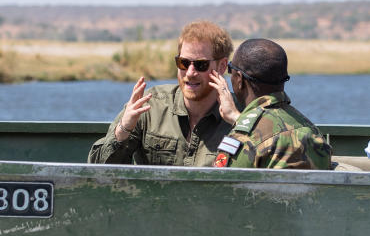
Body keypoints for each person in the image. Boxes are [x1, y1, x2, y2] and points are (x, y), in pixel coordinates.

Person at [87, 20, 233, 166]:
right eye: (183, 63)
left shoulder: (239, 116)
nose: (190, 73)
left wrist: (237, 120)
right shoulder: (149, 106)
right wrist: (124, 129)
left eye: (201, 65)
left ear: (222, 66)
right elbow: (97, 170)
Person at [208, 38, 331, 169]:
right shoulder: (311, 131)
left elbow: (219, 187)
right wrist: (237, 118)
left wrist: (242, 126)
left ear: (239, 79)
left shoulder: (243, 140)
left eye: (230, 69)